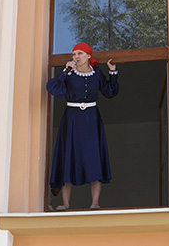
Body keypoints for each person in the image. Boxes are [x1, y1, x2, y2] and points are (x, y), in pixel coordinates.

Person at [47, 42, 118, 210]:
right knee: (68, 157)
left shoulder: (96, 74)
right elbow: (54, 89)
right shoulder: (69, 74)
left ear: (88, 56)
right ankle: (65, 204)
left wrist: (113, 72)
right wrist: (65, 72)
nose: (76, 57)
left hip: (91, 118)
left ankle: (95, 203)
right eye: (74, 54)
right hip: (72, 118)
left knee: (94, 157)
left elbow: (110, 92)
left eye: (79, 53)